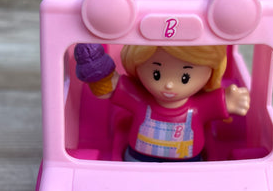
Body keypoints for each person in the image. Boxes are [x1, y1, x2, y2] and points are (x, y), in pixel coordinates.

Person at [74, 44, 250, 162]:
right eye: (156, 74)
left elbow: (223, 103)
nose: (169, 85)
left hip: (187, 166)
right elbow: (109, 88)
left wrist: (231, 101)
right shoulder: (139, 98)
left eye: (185, 77)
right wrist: (96, 69)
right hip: (138, 160)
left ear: (211, 72)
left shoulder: (199, 106)